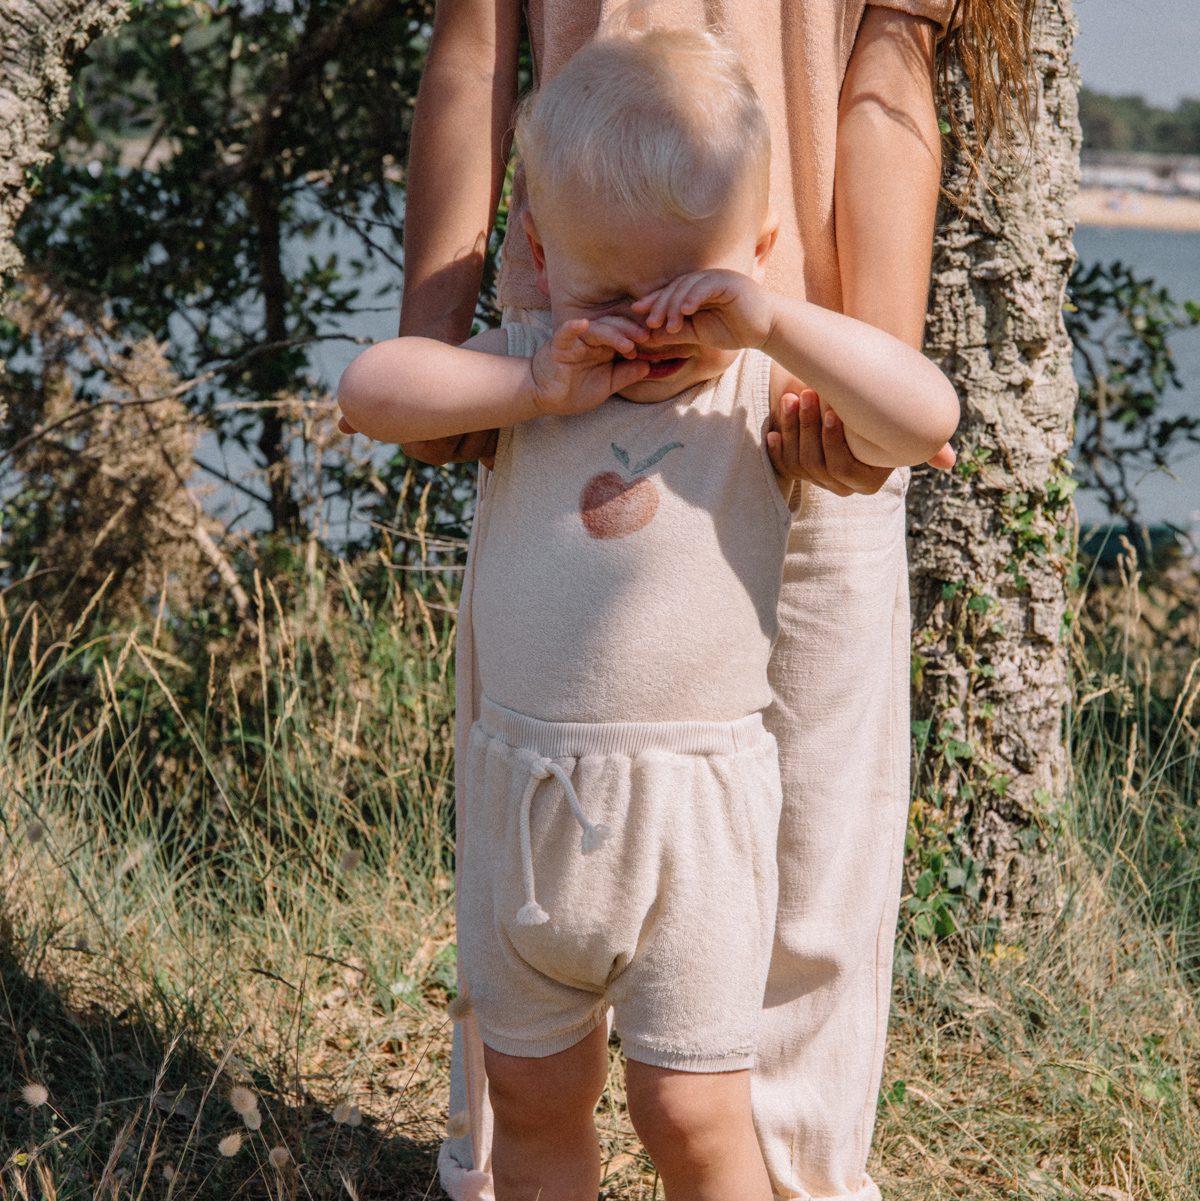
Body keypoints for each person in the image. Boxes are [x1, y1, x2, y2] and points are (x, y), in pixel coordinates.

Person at [394, 2, 1031, 1198]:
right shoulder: (538, 370)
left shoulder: (779, 368)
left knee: (805, 899)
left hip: (791, 393)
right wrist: (470, 365)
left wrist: (844, 379)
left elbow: (894, 58)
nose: (655, 319)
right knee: (533, 1045)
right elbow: (473, 47)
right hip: (559, 357)